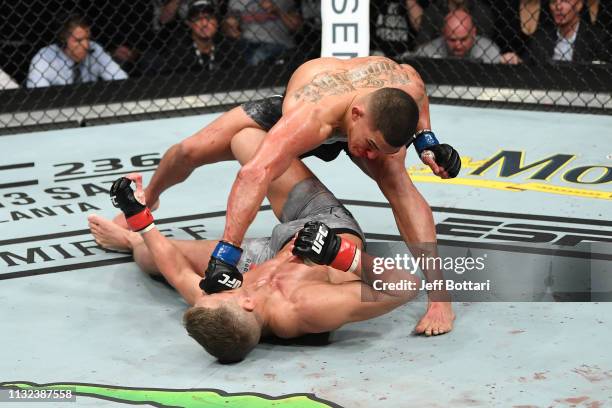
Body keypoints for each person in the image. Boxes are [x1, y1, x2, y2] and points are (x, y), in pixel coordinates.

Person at [113, 55, 460, 336]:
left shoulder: (403, 85)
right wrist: (225, 253)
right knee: (190, 149)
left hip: (361, 133)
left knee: (399, 183)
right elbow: (255, 174)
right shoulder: (308, 117)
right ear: (356, 115)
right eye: (369, 146)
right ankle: (152, 196)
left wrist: (427, 142)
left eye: (377, 149)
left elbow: (416, 91)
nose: (369, 156)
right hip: (309, 115)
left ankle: (440, 294)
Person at [92, 132, 421, 362]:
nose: (215, 289)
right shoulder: (306, 307)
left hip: (268, 256)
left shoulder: (222, 310)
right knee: (248, 139)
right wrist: (341, 254)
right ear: (247, 303)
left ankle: (128, 239)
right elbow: (404, 287)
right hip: (325, 229)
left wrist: (138, 218)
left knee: (150, 254)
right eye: (224, 294)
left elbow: (177, 271)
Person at [26, 15, 128, 88]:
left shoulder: (94, 50)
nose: (85, 45)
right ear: (63, 42)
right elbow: (37, 99)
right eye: (78, 41)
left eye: (87, 39)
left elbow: (122, 80)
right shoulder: (44, 58)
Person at [159, 0, 244, 74]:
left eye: (209, 18)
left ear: (217, 21)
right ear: (189, 23)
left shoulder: (228, 47)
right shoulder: (179, 51)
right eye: (198, 19)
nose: (204, 24)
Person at [525, 0, 611, 64]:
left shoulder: (598, 38)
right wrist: (517, 60)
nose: (558, 7)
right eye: (553, 1)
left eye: (565, 1)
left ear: (579, 5)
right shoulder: (540, 37)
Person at [409, 9, 503, 63]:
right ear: (444, 34)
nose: (458, 45)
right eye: (452, 40)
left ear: (473, 33)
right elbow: (407, 58)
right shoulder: (428, 51)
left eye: (463, 39)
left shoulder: (489, 50)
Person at [225, 0, 302, 65]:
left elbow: (296, 26)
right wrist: (231, 28)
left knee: (259, 55)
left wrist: (277, 10)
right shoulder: (237, 1)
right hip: (248, 43)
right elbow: (228, 26)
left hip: (278, 43)